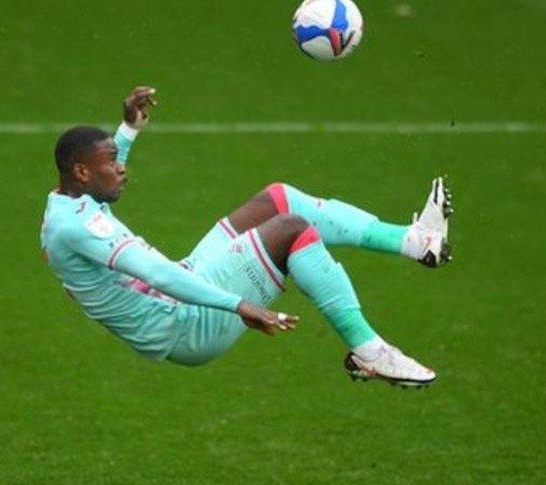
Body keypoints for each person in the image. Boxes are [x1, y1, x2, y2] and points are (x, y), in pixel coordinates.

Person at [40, 86, 453, 386]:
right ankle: (371, 351)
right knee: (292, 231)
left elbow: (101, 192)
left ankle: (416, 242)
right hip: (184, 325)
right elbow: (159, 276)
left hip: (183, 288)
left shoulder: (70, 204)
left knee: (279, 198)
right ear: (81, 171)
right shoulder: (77, 226)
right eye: (112, 161)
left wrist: (128, 131)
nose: (121, 169)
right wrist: (241, 306)